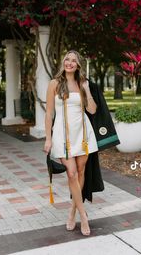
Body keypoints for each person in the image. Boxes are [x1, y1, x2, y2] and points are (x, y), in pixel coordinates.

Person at [43, 50, 98, 236]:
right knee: (72, 174)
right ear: (63, 62)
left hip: (83, 134)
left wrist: (87, 89)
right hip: (62, 135)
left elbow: (92, 110)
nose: (70, 63)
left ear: (78, 65)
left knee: (81, 172)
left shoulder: (82, 84)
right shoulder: (54, 84)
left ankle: (73, 211)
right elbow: (49, 113)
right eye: (67, 59)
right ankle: (83, 216)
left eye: (74, 60)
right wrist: (48, 138)